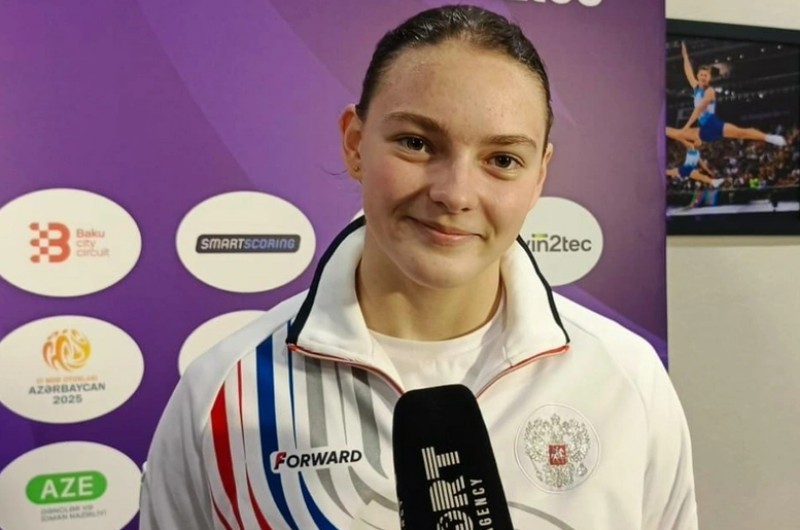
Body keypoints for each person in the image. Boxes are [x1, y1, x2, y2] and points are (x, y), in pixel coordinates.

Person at [139, 6, 697, 529]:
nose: (456, 193)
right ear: (355, 144)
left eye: (503, 160)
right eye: (417, 143)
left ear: (539, 177)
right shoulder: (223, 392)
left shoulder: (627, 377)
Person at [674, 42, 786, 147]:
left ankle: (768, 137)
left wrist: (686, 126)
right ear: (697, 76)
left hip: (712, 124)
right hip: (703, 128)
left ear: (709, 78)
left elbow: (699, 109)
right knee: (675, 134)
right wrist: (685, 56)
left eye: (706, 75)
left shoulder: (710, 91)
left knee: (741, 133)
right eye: (701, 75)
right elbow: (688, 72)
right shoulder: (696, 87)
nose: (703, 77)